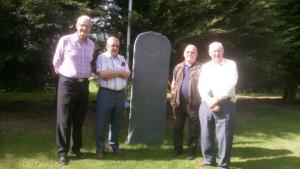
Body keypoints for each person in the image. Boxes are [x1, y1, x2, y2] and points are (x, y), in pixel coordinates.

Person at [53, 15, 95, 165]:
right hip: (68, 84)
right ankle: (62, 153)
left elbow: (89, 63)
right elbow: (56, 62)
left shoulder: (91, 44)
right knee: (64, 120)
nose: (84, 28)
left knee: (79, 119)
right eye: (82, 25)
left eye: (87, 26)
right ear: (76, 25)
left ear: (90, 28)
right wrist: (67, 76)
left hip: (84, 85)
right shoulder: (65, 40)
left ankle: (76, 149)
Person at [197, 42, 238, 169]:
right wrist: (209, 100)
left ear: (223, 51)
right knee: (206, 133)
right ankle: (209, 159)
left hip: (225, 103)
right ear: (209, 53)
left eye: (219, 50)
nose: (216, 53)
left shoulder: (231, 64)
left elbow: (230, 84)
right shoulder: (206, 66)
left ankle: (223, 164)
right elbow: (201, 85)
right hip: (206, 103)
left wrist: (216, 99)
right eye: (214, 51)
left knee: (224, 135)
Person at [95, 37, 130, 159]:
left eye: (117, 46)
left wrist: (114, 73)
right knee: (102, 122)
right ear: (107, 46)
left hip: (120, 94)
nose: (115, 48)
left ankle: (114, 145)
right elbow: (103, 75)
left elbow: (127, 74)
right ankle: (99, 149)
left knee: (116, 122)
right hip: (106, 93)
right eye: (112, 45)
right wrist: (119, 72)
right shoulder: (102, 57)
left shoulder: (122, 58)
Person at [170, 44, 201, 160]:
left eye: (192, 52)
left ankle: (191, 152)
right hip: (178, 103)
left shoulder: (201, 68)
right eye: (188, 52)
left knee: (193, 130)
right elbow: (174, 82)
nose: (190, 54)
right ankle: (177, 149)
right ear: (184, 54)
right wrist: (173, 91)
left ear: (196, 54)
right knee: (177, 128)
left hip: (193, 104)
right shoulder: (178, 67)